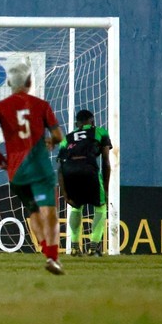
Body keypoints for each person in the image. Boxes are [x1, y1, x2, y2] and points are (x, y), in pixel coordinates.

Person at [0, 59, 65, 275]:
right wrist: (52, 142)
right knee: (49, 212)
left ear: (10, 83)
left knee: (33, 212)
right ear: (29, 81)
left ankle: (46, 251)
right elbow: (58, 135)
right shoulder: (41, 105)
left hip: (16, 171)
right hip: (39, 168)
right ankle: (52, 257)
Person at [58, 109, 112, 257]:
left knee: (76, 207)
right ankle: (94, 246)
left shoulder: (67, 138)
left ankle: (75, 246)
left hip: (69, 171)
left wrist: (64, 193)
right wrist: (106, 189)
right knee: (100, 207)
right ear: (92, 122)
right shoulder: (100, 132)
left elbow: (60, 167)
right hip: (88, 169)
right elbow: (106, 161)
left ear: (77, 124)